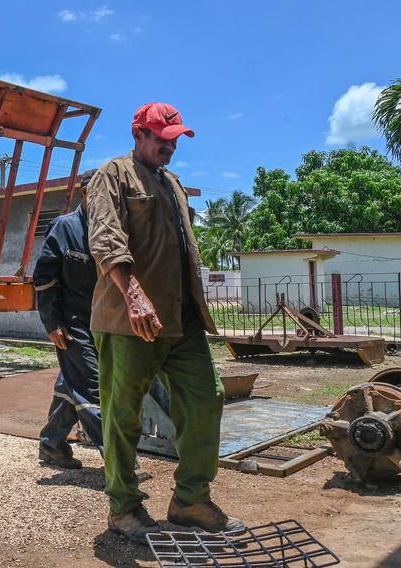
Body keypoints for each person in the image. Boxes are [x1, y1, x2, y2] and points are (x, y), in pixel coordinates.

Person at [86, 102, 245, 543]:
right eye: (162, 139)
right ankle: (124, 507)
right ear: (138, 134)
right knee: (123, 414)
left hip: (180, 319)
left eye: (175, 139)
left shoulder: (172, 182)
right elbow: (105, 238)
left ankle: (190, 499)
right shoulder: (112, 175)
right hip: (127, 319)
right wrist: (135, 296)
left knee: (206, 398)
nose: (170, 146)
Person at [33, 172, 104, 469]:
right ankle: (118, 459)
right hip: (72, 323)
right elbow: (44, 279)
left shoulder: (109, 230)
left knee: (71, 383)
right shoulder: (65, 228)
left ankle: (52, 445)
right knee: (93, 386)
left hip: (103, 322)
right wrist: (52, 324)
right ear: (86, 193)